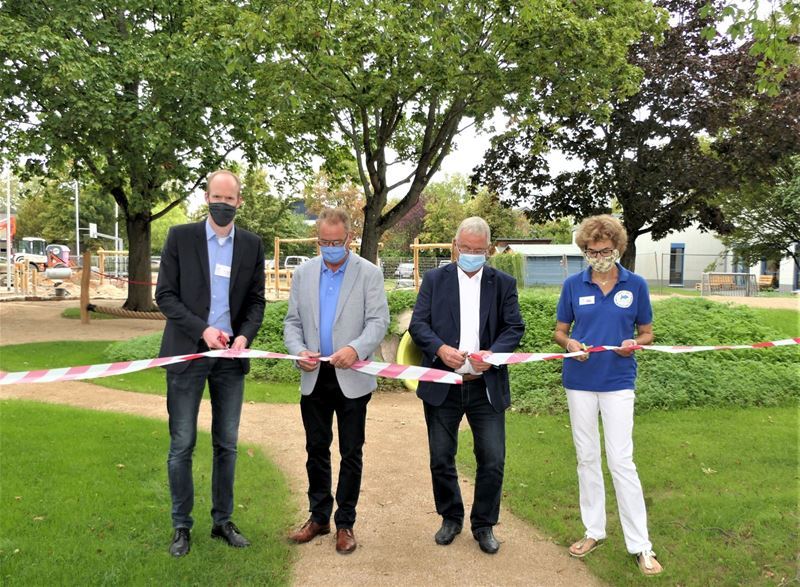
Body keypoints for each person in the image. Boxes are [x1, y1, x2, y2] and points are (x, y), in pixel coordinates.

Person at [155, 169, 266, 558]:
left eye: (229, 199)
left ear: (239, 202)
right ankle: (181, 526)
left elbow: (256, 302)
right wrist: (203, 330)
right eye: (216, 197)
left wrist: (243, 336)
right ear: (206, 198)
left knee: (227, 444)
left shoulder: (252, 245)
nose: (222, 204)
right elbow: (165, 296)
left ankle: (222, 521)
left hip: (230, 360)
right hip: (187, 354)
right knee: (181, 444)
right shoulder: (180, 238)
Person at [553, 214, 662, 576]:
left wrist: (634, 343)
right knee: (587, 458)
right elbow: (560, 331)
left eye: (605, 250)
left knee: (621, 461)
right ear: (584, 250)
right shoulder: (573, 285)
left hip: (618, 381)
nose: (598, 256)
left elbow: (647, 333)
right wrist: (569, 343)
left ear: (617, 248)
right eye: (591, 250)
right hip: (579, 380)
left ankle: (641, 545)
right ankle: (593, 531)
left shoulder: (637, 284)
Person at [408, 217, 524, 554]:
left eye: (478, 250)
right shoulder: (434, 279)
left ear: (488, 250)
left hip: (485, 385)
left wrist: (496, 354)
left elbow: (514, 327)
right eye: (465, 249)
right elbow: (419, 324)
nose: (471, 255)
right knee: (441, 457)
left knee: (492, 458)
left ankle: (484, 524)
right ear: (455, 246)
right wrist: (440, 349)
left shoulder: (503, 283)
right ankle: (451, 517)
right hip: (443, 384)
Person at [283, 208, 389, 555]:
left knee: (351, 452)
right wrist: (298, 350)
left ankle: (345, 523)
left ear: (349, 239)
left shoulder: (369, 274)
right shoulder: (303, 273)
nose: (330, 247)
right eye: (324, 242)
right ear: (317, 241)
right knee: (315, 449)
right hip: (314, 376)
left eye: (336, 242)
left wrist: (354, 348)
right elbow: (292, 323)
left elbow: (377, 321)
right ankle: (318, 517)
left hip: (352, 376)